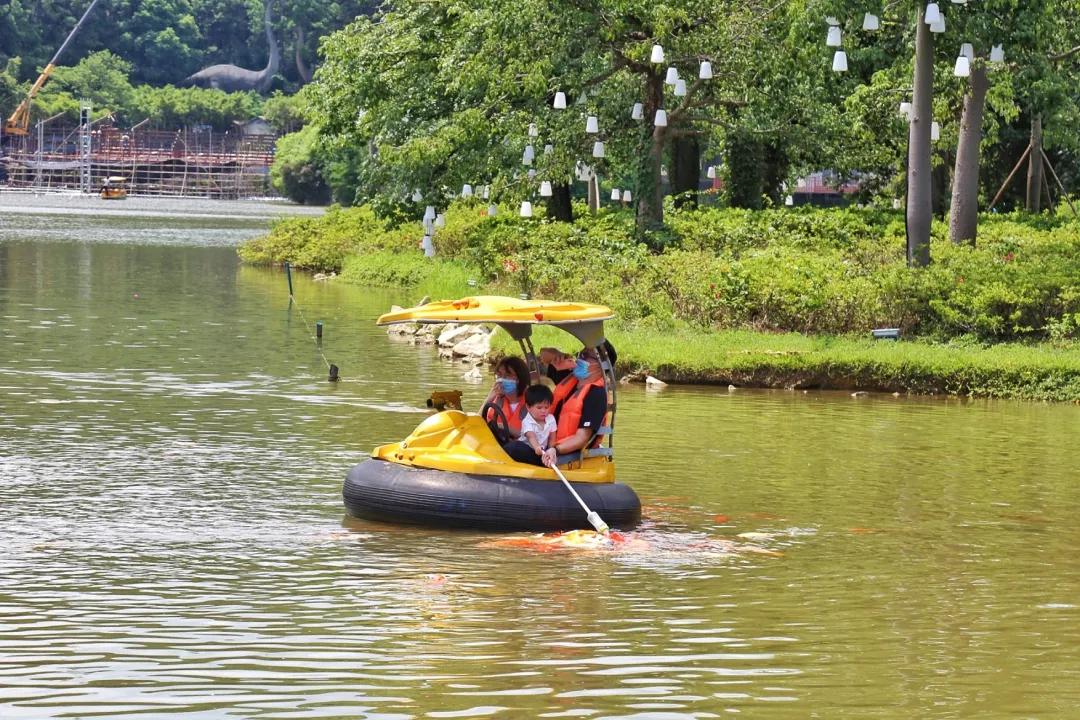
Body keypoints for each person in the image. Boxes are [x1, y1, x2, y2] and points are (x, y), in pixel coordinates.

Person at [542, 347, 609, 468]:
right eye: (580, 354)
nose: (579, 359)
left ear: (601, 365)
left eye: (586, 356)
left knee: (514, 449)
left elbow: (582, 439)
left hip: (566, 453)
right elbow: (544, 355)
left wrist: (555, 450)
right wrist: (558, 356)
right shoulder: (569, 376)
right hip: (547, 442)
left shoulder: (596, 394)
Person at [502, 384, 558, 466]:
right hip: (530, 449)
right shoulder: (527, 421)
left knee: (548, 454)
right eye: (539, 408)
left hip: (543, 451)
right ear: (528, 407)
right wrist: (537, 448)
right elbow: (531, 437)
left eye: (546, 407)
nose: (543, 411)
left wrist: (551, 450)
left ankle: (544, 460)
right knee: (513, 447)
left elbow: (552, 439)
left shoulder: (551, 419)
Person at [480, 356, 529, 437]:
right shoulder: (497, 400)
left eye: (506, 376)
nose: (501, 380)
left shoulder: (533, 400)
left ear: (519, 378)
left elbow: (538, 437)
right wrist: (489, 398)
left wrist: (504, 427)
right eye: (499, 375)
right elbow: (477, 422)